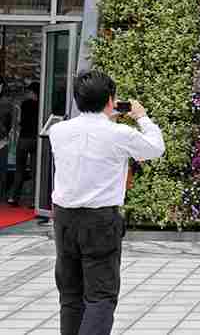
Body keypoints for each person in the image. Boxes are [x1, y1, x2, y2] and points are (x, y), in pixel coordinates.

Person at [49, 70, 165, 335]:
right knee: (100, 296)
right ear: (111, 100)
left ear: (77, 99)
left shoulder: (59, 131)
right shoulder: (120, 134)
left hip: (64, 219)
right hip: (100, 220)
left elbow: (90, 135)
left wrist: (106, 114)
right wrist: (141, 117)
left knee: (70, 295)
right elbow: (156, 148)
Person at [7, 81, 39, 206]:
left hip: (24, 139)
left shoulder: (24, 104)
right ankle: (34, 200)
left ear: (32, 92)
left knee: (19, 169)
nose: (27, 94)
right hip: (36, 139)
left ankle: (14, 197)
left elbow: (19, 120)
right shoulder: (42, 105)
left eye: (29, 92)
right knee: (35, 171)